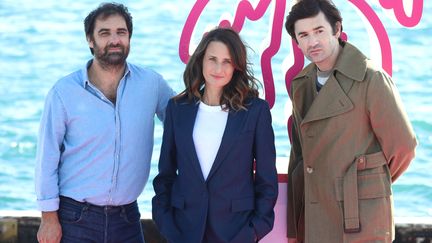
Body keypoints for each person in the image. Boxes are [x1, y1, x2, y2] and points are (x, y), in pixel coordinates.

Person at [35, 3, 174, 243]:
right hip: (75, 218)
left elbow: (185, 124)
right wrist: (49, 218)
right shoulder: (64, 92)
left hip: (128, 217)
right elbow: (46, 158)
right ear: (90, 40)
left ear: (129, 37)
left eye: (121, 32)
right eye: (104, 33)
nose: (114, 40)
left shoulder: (152, 85)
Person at [284, 0, 417, 242]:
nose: (312, 42)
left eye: (319, 31)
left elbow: (404, 147)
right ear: (296, 41)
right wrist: (294, 225)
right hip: (316, 213)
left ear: (336, 29)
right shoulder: (301, 85)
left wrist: (364, 186)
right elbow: (299, 156)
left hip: (359, 218)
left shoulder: (371, 78)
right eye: (303, 35)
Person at [151, 27, 278, 243]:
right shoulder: (177, 109)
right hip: (184, 230)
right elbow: (166, 174)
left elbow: (267, 181)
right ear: (201, 60)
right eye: (212, 59)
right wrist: (167, 224)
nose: (218, 68)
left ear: (236, 66)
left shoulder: (255, 111)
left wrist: (253, 231)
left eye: (227, 61)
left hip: (235, 232)